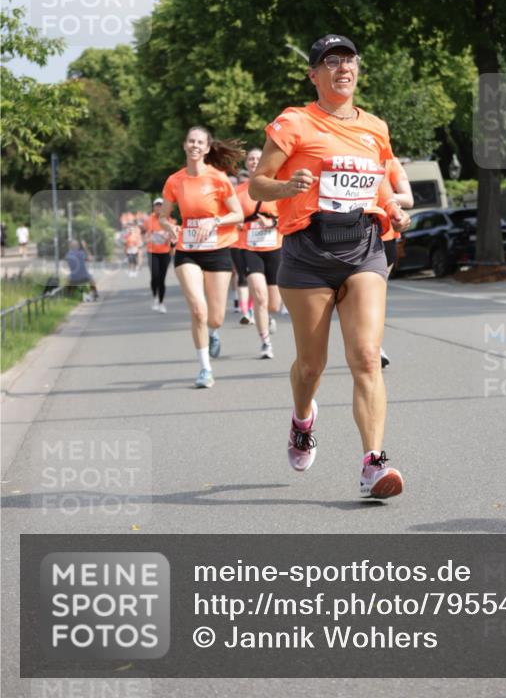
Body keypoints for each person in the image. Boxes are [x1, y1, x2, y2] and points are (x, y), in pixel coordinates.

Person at [250, 34, 411, 499]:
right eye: (332, 61)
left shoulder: (375, 127)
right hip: (308, 253)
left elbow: (379, 182)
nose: (343, 68)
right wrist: (286, 188)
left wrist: (393, 209)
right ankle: (303, 419)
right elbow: (258, 185)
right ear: (313, 74)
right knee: (311, 366)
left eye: (350, 60)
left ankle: (373, 464)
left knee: (366, 357)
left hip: (364, 247)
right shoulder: (294, 122)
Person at [158, 127, 244, 388]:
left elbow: (238, 214)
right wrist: (169, 226)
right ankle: (205, 369)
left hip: (217, 250)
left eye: (200, 142)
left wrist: (215, 221)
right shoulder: (175, 180)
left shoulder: (218, 178)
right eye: (191, 141)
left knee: (215, 317)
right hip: (187, 250)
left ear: (207, 148)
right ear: (185, 145)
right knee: (198, 309)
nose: (195, 145)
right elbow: (163, 216)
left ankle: (214, 332)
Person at [232, 147, 282, 359]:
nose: (254, 161)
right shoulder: (238, 191)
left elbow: (288, 215)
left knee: (273, 304)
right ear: (247, 164)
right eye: (251, 159)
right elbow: (231, 214)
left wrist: (272, 222)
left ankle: (268, 317)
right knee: (259, 296)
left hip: (274, 247)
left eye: (257, 158)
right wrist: (236, 223)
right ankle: (265, 342)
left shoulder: (277, 188)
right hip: (249, 247)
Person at [377, 158, 414, 367]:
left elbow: (408, 199)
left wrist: (382, 196)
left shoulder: (390, 162)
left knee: (375, 296)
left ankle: (375, 346)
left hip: (383, 238)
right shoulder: (344, 153)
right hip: (345, 238)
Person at [145, 197, 175, 313]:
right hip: (152, 252)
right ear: (153, 207)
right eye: (156, 205)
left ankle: (161, 303)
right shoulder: (149, 220)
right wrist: (148, 237)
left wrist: (169, 237)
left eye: (161, 206)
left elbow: (174, 238)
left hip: (165, 252)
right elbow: (144, 234)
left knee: (162, 279)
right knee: (154, 277)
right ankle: (155, 298)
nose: (158, 208)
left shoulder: (170, 220)